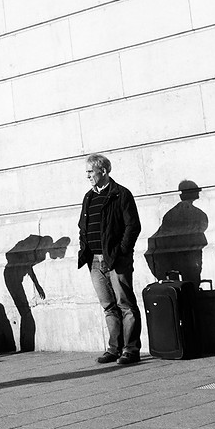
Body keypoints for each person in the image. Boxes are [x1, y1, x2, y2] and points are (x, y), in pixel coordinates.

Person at [78, 153, 142, 365]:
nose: (87, 175)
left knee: (125, 304)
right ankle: (114, 348)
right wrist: (84, 248)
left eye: (90, 171)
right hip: (94, 261)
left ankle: (131, 349)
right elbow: (82, 227)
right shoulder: (88, 197)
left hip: (116, 259)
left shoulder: (120, 194)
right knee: (108, 306)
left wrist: (121, 251)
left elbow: (133, 226)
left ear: (103, 171)